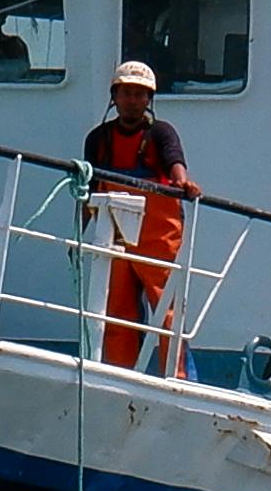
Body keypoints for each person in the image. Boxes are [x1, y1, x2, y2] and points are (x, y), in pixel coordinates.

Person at [82, 59, 192, 372]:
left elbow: (175, 163)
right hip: (113, 234)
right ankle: (118, 375)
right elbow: (88, 189)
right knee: (116, 312)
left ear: (149, 100)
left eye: (140, 94)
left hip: (158, 236)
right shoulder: (98, 139)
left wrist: (183, 182)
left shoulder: (161, 132)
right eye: (127, 92)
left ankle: (178, 379)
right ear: (114, 96)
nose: (133, 100)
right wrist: (79, 233)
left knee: (166, 311)